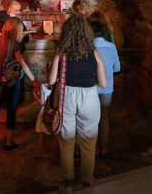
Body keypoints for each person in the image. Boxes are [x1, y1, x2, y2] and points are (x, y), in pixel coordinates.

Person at [48, 13, 107, 193]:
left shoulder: (61, 53)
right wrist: (88, 83)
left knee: (66, 141)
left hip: (66, 96)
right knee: (88, 142)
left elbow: (51, 81)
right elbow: (103, 84)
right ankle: (87, 182)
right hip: (89, 96)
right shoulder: (94, 53)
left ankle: (67, 184)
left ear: (67, 33)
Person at [0, 17, 39, 152]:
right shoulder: (14, 44)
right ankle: (8, 143)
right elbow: (22, 63)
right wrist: (34, 79)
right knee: (11, 109)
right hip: (11, 81)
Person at [90, 21, 121, 157]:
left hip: (91, 89)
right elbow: (117, 68)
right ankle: (103, 147)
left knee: (91, 119)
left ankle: (94, 148)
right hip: (107, 88)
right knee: (104, 118)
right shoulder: (111, 46)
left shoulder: (88, 47)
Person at [34, 63, 58, 164]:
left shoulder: (43, 86)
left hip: (43, 114)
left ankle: (39, 154)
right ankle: (53, 157)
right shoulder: (58, 87)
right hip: (54, 114)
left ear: (46, 73)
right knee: (53, 137)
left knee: (41, 135)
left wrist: (36, 94)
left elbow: (42, 102)